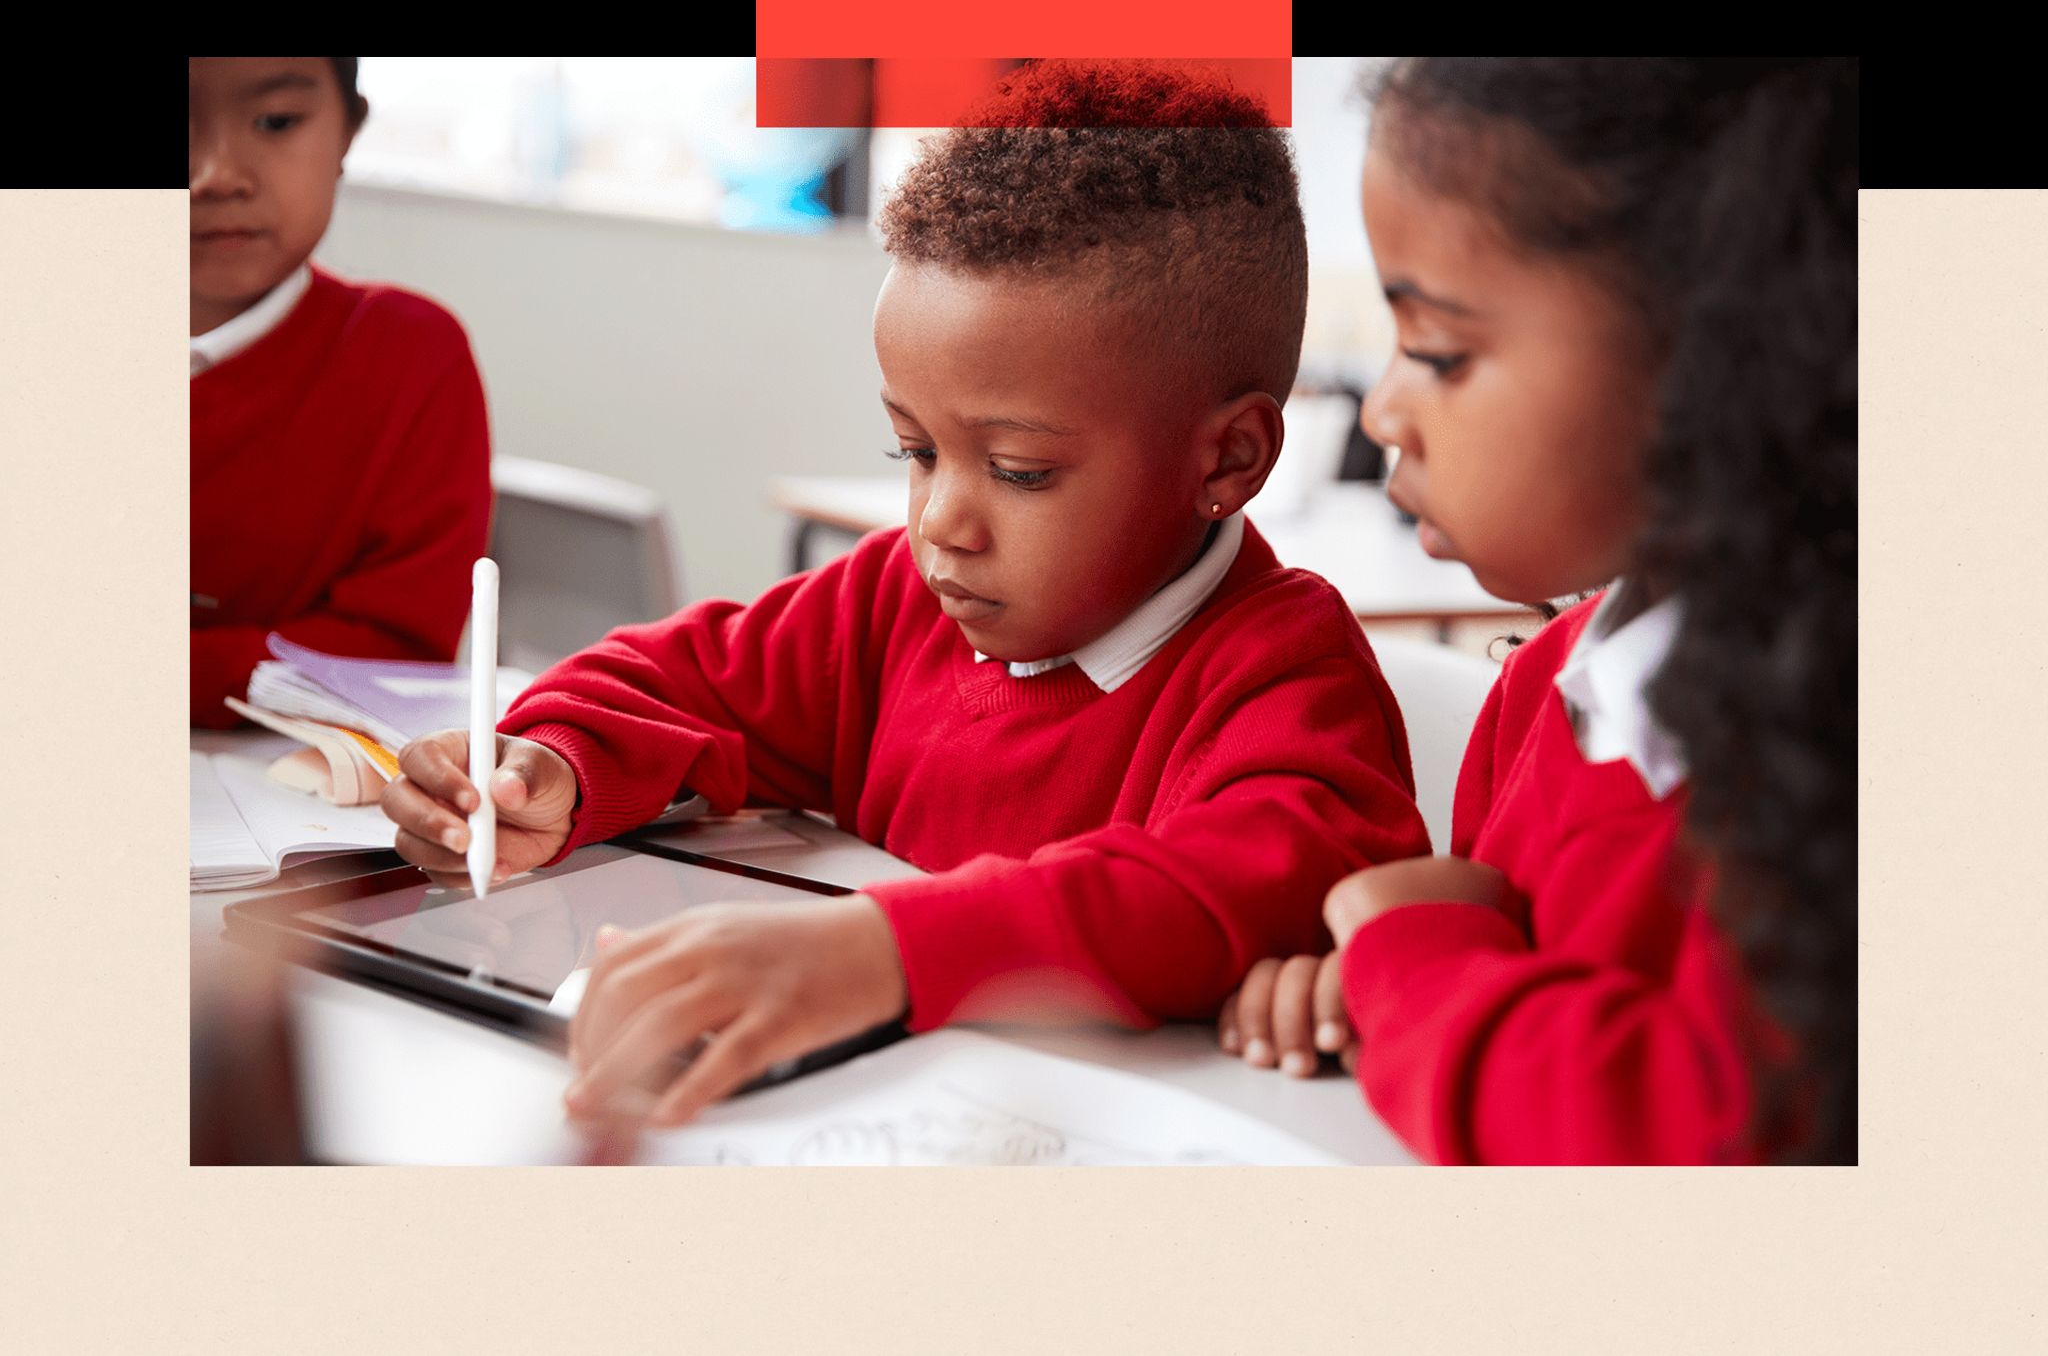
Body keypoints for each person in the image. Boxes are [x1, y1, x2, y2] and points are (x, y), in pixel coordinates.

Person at [381, 60, 1432, 1129]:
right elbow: (671, 676)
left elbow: (1232, 886)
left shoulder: (1286, 670)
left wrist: (881, 950)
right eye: (915, 450)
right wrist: (549, 764)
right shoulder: (899, 601)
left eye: (1018, 471)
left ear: (1227, 460)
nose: (939, 521)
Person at [1219, 57, 1857, 1165]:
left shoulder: (1830, 744)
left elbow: (1702, 1144)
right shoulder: (1538, 692)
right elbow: (1496, 964)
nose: (1382, 411)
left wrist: (1413, 960)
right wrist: (1359, 985)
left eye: (1437, 351)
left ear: (1720, 351)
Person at [190, 56, 492, 728]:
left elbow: (392, 654)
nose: (217, 174)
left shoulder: (411, 357)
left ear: (348, 133)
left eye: (276, 122)